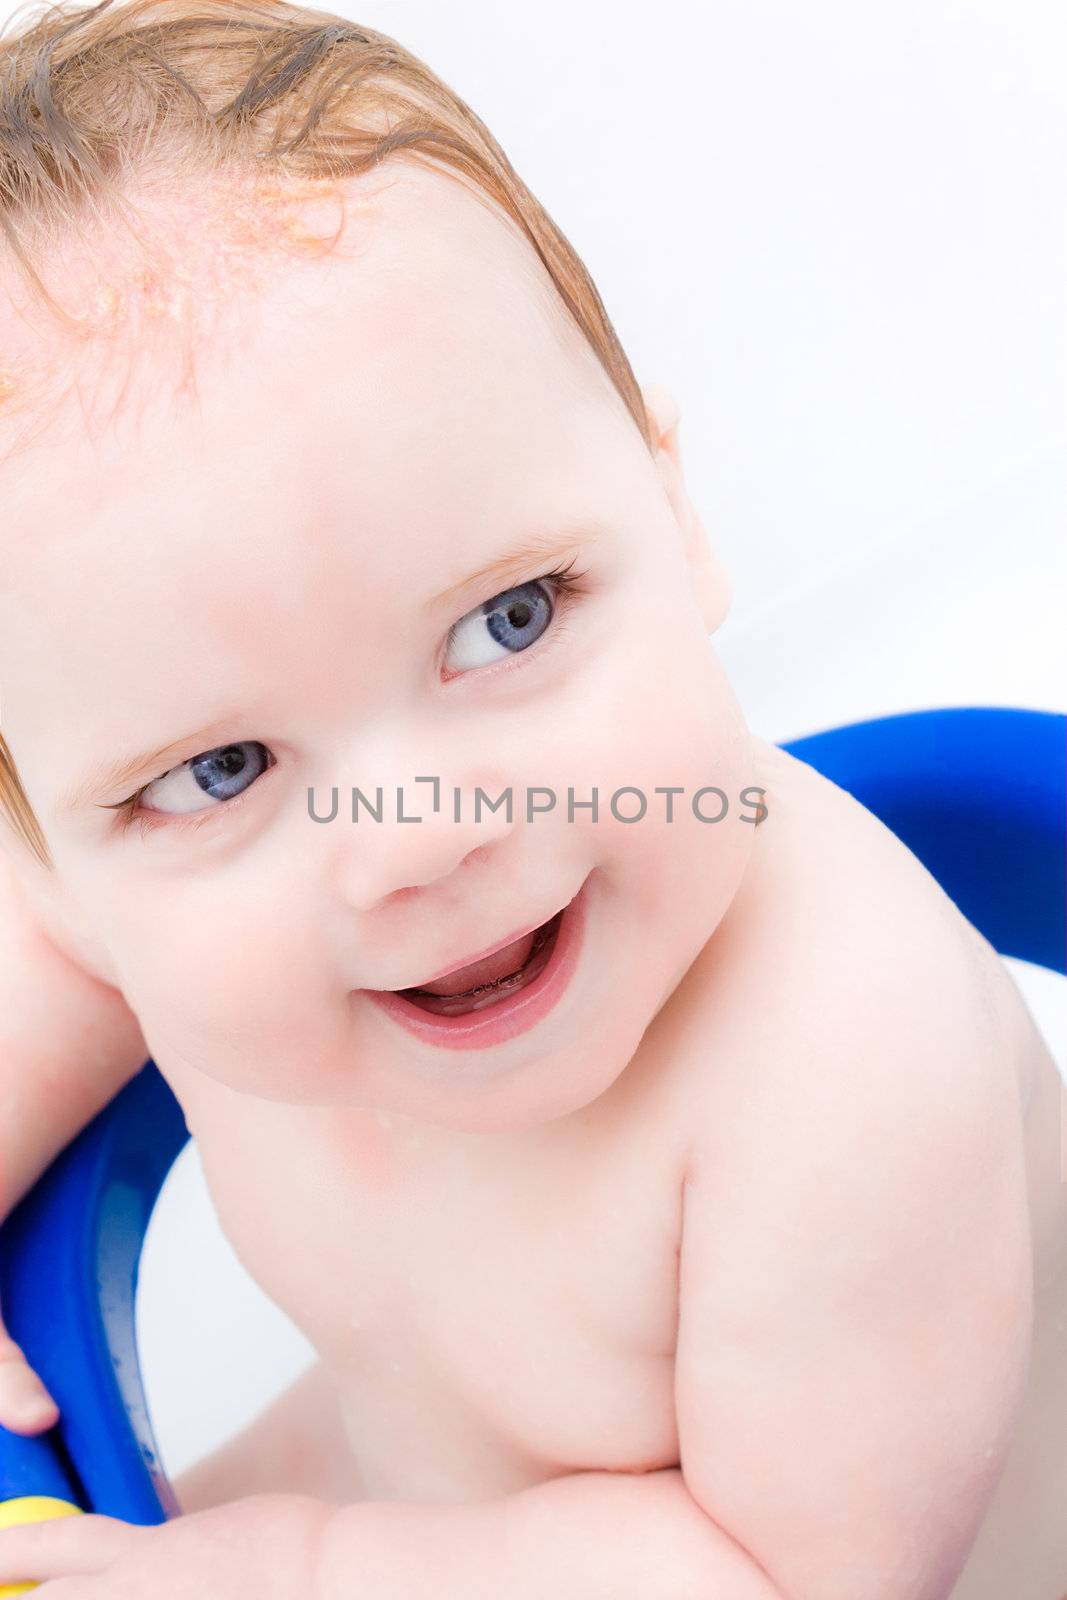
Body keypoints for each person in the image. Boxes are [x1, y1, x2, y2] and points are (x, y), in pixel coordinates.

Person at [0, 2, 1062, 1595]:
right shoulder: (119, 906)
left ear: (674, 507)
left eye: (510, 618)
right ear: (54, 847)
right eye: (223, 771)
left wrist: (287, 1573)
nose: (421, 838)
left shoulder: (843, 1060)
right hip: (426, 1491)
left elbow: (788, 1582)